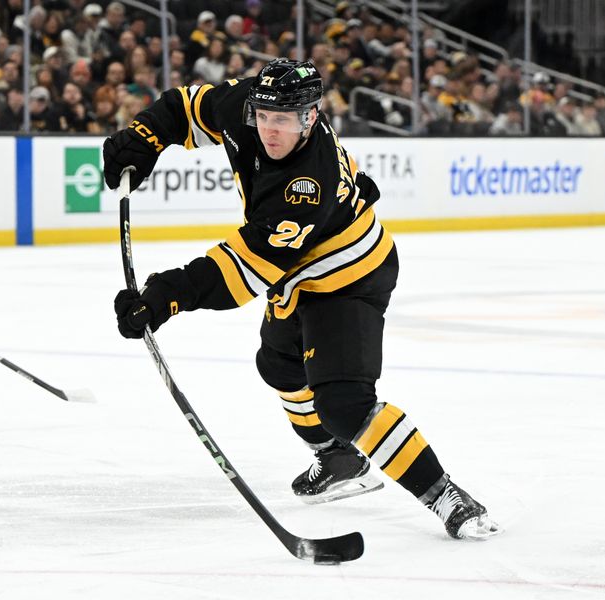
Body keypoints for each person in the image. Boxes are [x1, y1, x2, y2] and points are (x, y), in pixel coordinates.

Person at [102, 58, 501, 540]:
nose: (270, 130)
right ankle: (338, 460)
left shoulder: (307, 185)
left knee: (345, 404)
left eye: (284, 121)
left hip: (349, 274)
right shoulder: (250, 103)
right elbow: (185, 107)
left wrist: (166, 295)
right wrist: (143, 137)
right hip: (295, 269)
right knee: (279, 365)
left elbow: (243, 269)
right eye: (264, 118)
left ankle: (443, 493)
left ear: (310, 117)